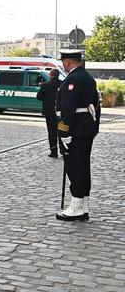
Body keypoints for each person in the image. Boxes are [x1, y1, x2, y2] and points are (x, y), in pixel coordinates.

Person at [55, 50, 100, 221]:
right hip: (85, 128)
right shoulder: (88, 78)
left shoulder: (73, 79)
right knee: (83, 166)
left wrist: (64, 132)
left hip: (75, 130)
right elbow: (96, 106)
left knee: (75, 167)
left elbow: (67, 108)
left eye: (63, 63)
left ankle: (76, 206)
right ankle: (84, 205)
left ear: (67, 62)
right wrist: (94, 128)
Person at [37, 68, 63, 158]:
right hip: (61, 112)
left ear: (50, 75)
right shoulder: (63, 84)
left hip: (49, 112)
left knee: (51, 132)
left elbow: (39, 97)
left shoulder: (45, 85)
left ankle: (53, 151)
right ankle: (63, 150)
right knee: (62, 131)